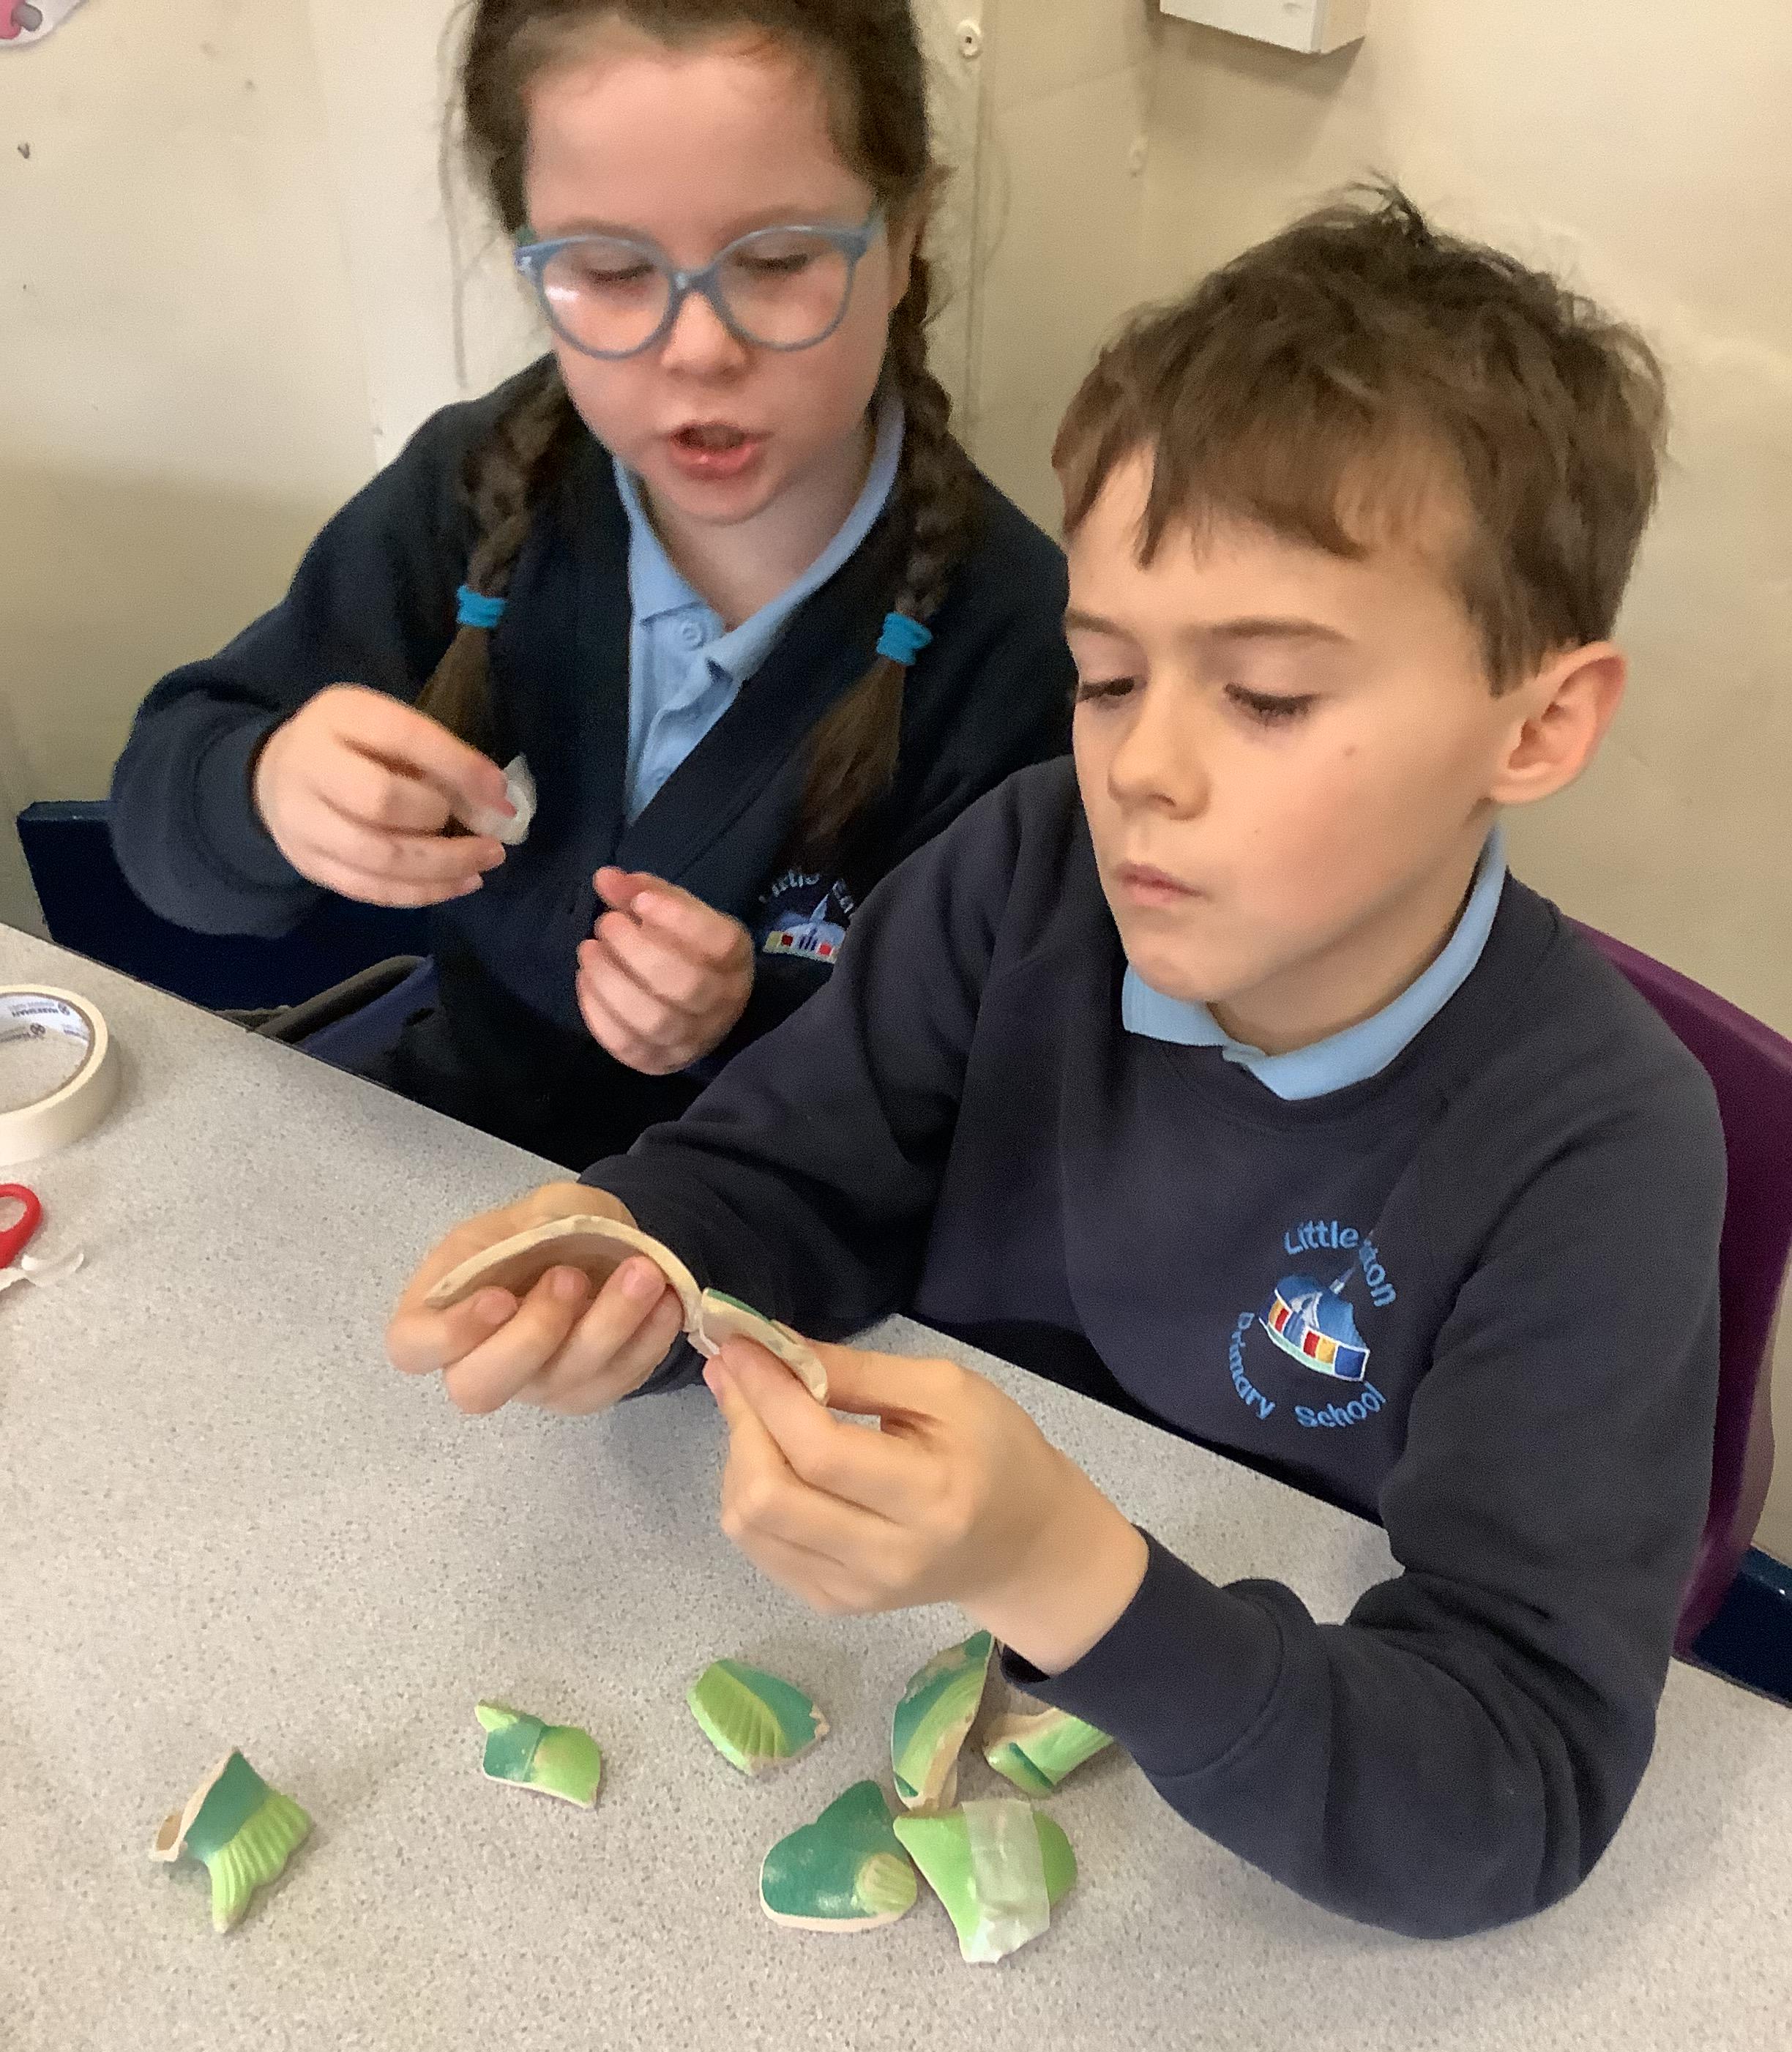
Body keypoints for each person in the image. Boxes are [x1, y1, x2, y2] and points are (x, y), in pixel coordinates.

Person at [386, 190, 1726, 1940]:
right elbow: (785, 1176)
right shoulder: (1027, 873)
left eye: (1266, 696)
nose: (1140, 771)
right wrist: (634, 1260)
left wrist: (1062, 1575)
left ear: (1535, 725)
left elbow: (1511, 1777)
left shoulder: (1601, 1149)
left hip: (1242, 1782)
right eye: (1103, 678)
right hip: (935, 1654)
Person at [108, 0, 1072, 1166]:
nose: (699, 349)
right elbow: (165, 813)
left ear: (907, 236)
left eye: (778, 262)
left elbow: (995, 1087)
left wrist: (746, 1019)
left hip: (769, 1228)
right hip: (448, 1161)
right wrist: (266, 792)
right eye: (610, 271)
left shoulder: (1015, 641)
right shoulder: (478, 489)